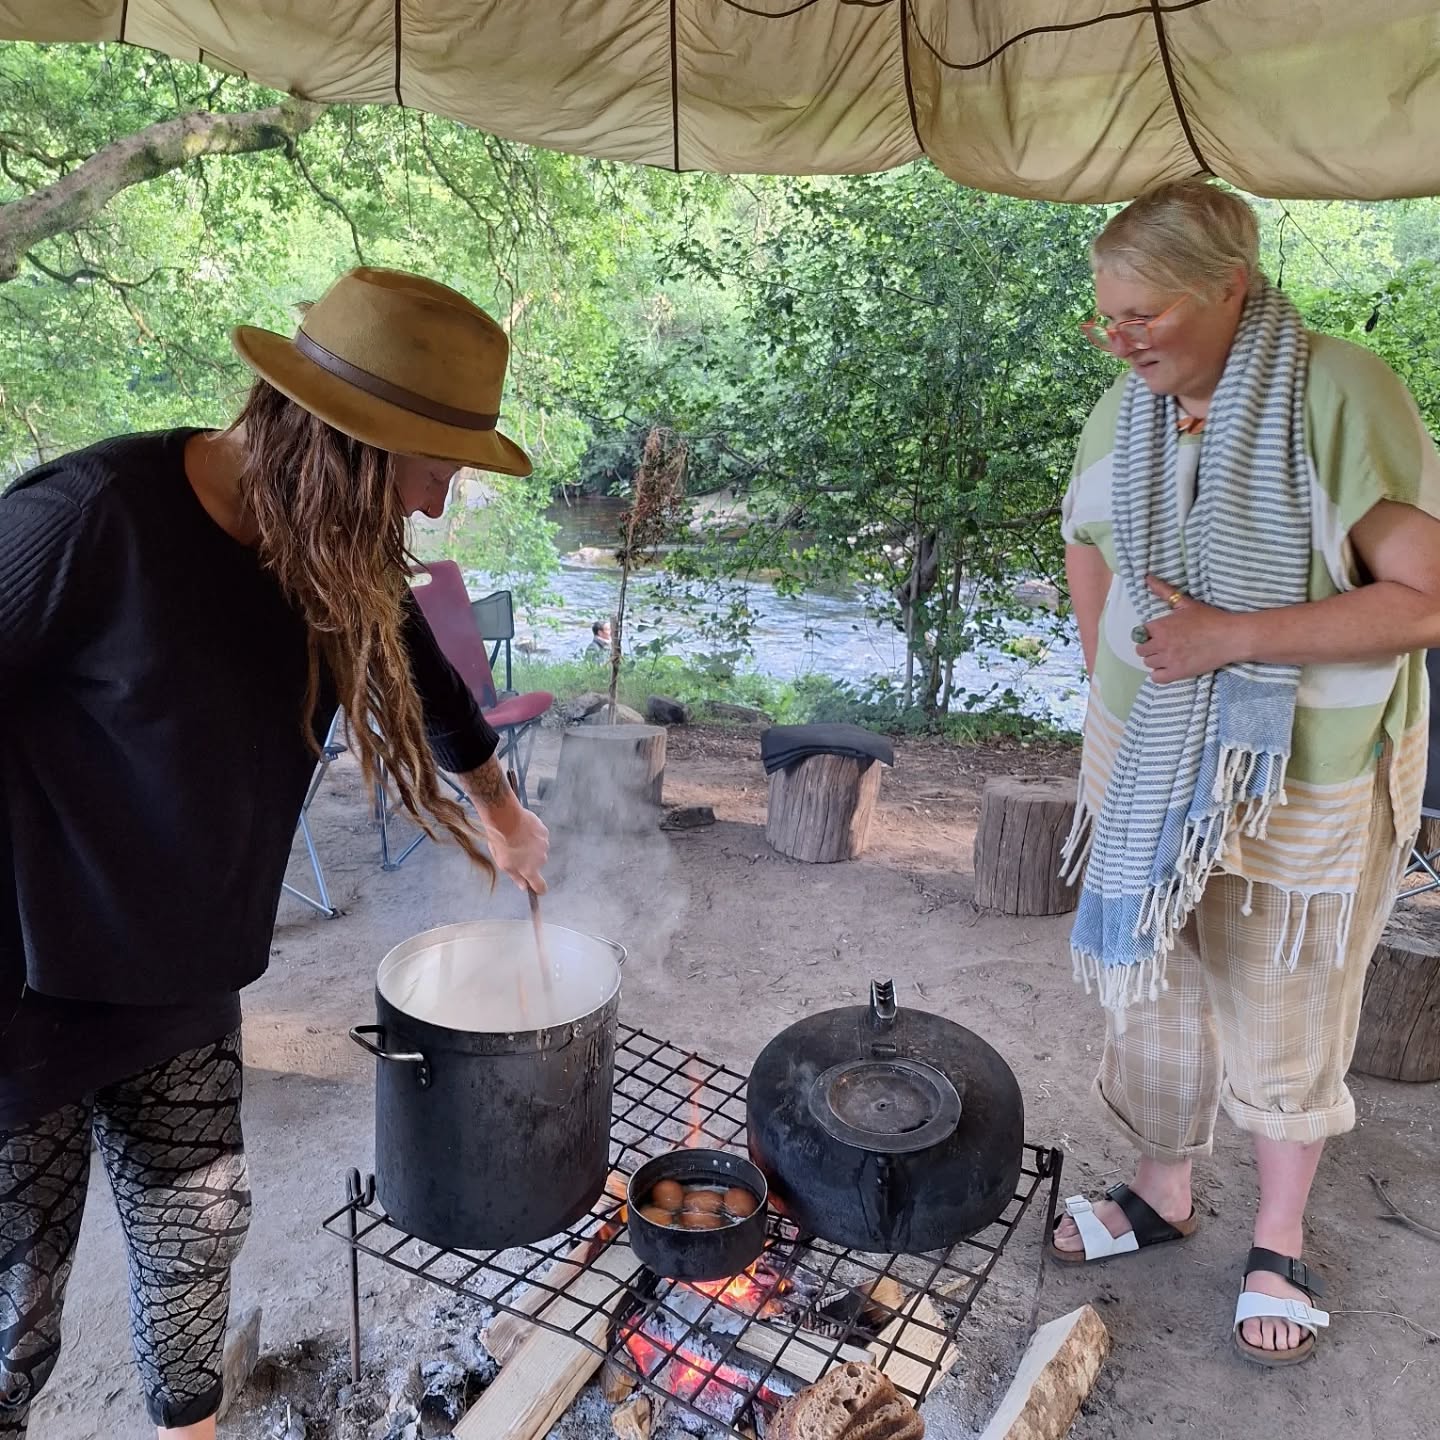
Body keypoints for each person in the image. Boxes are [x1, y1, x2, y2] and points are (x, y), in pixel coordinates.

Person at [0, 267, 550, 1438]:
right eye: (436, 470)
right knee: (16, 1311)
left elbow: (430, 682)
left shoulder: (330, 553)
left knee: (197, 1247)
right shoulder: (91, 519)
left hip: (183, 979)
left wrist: (502, 812)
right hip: (21, 992)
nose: (441, 509)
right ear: (351, 446)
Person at [1054, 180, 1440, 1365]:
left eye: (1144, 316)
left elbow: (1424, 596)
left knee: (1285, 989)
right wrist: (1111, 677)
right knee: (1156, 974)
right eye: (1104, 318)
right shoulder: (1132, 402)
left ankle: (1278, 1239)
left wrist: (1229, 638)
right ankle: (1163, 1190)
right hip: (1149, 741)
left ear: (1231, 286)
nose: (1119, 341)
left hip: (1301, 762)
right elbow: (1085, 537)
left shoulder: (1337, 391)